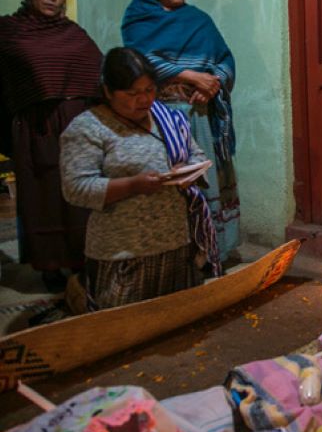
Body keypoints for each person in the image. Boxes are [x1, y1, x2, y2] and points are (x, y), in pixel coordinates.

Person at [60, 47, 219, 309]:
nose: (143, 100)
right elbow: (76, 188)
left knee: (176, 319)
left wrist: (190, 173)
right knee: (123, 330)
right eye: (132, 93)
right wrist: (133, 185)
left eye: (149, 90)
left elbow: (195, 154)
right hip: (123, 251)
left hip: (176, 243)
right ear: (108, 91)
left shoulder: (167, 118)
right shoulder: (88, 128)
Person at [121, 0, 240, 263]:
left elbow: (225, 60)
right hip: (159, 118)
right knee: (171, 185)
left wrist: (211, 85)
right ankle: (175, 253)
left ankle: (211, 249)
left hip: (201, 117)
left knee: (205, 180)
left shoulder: (199, 20)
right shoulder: (139, 18)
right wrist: (191, 76)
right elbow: (139, 60)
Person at [0, 0, 102, 292]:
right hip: (36, 127)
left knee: (79, 194)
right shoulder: (9, 31)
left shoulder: (73, 32)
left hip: (77, 124)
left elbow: (99, 73)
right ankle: (49, 265)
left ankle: (80, 260)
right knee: (42, 195)